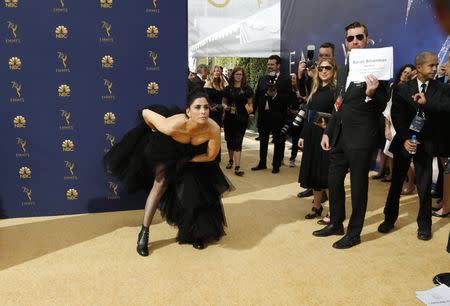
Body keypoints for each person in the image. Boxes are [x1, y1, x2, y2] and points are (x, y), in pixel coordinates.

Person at [103, 91, 231, 256]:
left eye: (206, 107)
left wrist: (188, 161)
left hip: (194, 155)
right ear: (188, 111)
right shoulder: (171, 125)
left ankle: (196, 232)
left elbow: (210, 155)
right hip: (170, 148)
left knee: (197, 187)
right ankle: (144, 232)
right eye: (197, 107)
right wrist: (152, 130)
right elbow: (145, 113)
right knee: (160, 184)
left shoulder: (213, 128)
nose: (203, 112)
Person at [313, 21, 390, 249]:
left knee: (358, 188)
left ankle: (354, 233)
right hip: (338, 136)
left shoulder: (378, 69)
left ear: (367, 39)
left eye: (359, 37)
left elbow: (384, 103)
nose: (354, 42)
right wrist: (328, 130)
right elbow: (339, 105)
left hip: (361, 138)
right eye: (350, 38)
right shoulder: (344, 69)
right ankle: (336, 222)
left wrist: (370, 94)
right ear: (345, 42)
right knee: (334, 181)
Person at [377, 51, 445, 241]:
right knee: (396, 182)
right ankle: (389, 219)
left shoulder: (440, 88)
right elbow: (397, 116)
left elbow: (443, 108)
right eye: (431, 65)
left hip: (426, 145)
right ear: (419, 68)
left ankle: (424, 226)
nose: (435, 69)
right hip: (404, 144)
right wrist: (406, 138)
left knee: (423, 187)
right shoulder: (403, 89)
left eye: (436, 65)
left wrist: (428, 103)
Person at [298, 57, 337, 219]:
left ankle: (333, 211)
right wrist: (302, 135)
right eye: (320, 69)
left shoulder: (336, 91)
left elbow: (338, 116)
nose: (323, 71)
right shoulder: (315, 89)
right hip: (312, 136)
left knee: (326, 175)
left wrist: (328, 127)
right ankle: (317, 207)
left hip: (326, 137)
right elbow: (308, 114)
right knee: (314, 173)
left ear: (334, 70)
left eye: (327, 68)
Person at [251, 55, 292, 174]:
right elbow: (257, 96)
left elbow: (289, 98)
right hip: (263, 116)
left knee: (278, 141)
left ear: (278, 65)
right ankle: (262, 163)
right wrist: (253, 112)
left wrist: (275, 95)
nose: (269, 67)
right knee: (263, 140)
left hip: (278, 116)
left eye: (272, 64)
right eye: (268, 64)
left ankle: (276, 165)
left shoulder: (285, 79)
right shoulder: (262, 79)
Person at [223, 67, 254, 176]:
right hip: (229, 118)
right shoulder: (227, 89)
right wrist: (225, 106)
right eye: (237, 74)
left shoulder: (247, 89)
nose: (238, 76)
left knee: (238, 142)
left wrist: (249, 111)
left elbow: (249, 105)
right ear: (233, 76)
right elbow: (224, 102)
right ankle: (231, 160)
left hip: (241, 119)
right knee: (229, 141)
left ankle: (237, 167)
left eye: (240, 74)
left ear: (243, 76)